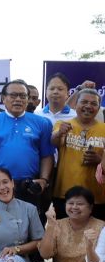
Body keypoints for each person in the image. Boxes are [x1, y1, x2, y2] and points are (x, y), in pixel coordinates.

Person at [0, 79, 53, 207]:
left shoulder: (42, 122)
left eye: (23, 96)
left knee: (27, 225)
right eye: (13, 95)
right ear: (3, 98)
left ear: (28, 99)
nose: (18, 99)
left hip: (28, 185)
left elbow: (47, 154)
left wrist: (44, 179)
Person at [51, 88, 105, 219]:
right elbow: (54, 142)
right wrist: (59, 133)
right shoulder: (63, 124)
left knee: (94, 237)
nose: (88, 106)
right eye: (84, 102)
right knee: (65, 236)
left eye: (93, 104)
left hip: (96, 197)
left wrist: (99, 160)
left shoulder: (104, 129)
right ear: (75, 105)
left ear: (99, 108)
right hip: (65, 194)